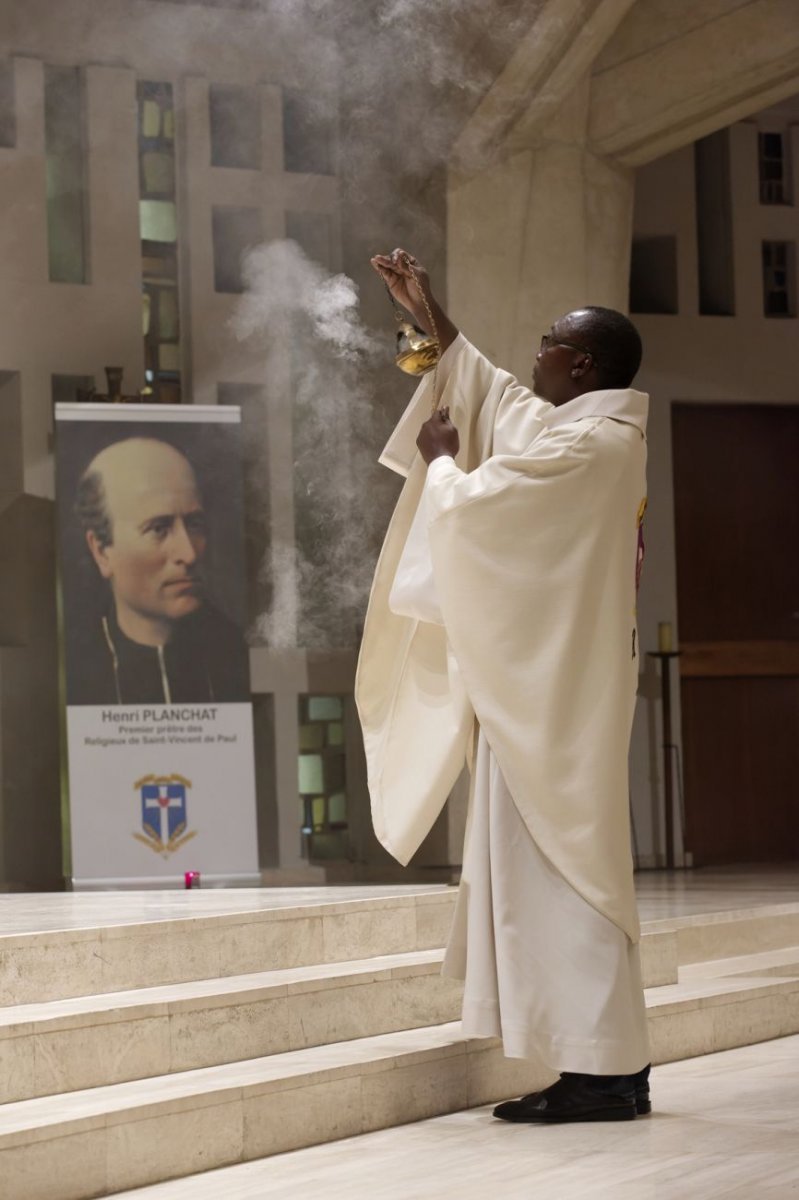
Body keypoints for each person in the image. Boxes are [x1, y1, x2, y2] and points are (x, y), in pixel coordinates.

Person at [355, 248, 652, 1123]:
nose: (536, 355)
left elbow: (482, 511)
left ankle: (598, 1077)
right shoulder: (584, 431)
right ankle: (604, 1068)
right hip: (545, 700)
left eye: (549, 344)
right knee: (555, 883)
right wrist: (427, 308)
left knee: (562, 884)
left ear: (584, 365)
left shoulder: (592, 448)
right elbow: (495, 393)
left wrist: (442, 463)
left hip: (553, 714)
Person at [70, 436, 249, 705]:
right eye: (158, 529)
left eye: (195, 524)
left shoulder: (236, 651)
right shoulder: (75, 667)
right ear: (102, 551)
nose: (188, 553)